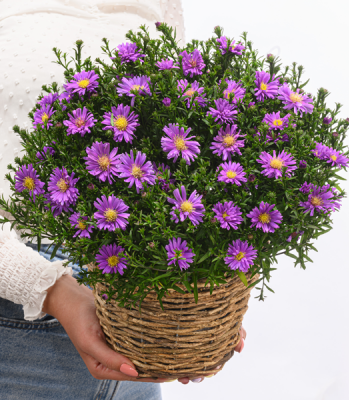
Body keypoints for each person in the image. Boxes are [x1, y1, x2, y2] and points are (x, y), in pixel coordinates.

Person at [0, 1, 245, 398]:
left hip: (134, 321)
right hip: (18, 335)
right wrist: (54, 291)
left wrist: (202, 302)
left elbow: (171, 160)